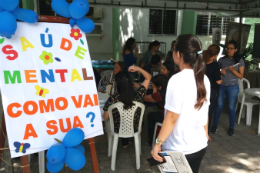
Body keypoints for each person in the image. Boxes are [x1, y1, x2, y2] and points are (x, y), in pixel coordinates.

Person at [151, 34, 210, 173]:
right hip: (199, 145)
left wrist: (157, 144)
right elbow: (205, 109)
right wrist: (206, 134)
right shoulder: (203, 78)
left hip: (178, 150)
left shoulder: (177, 80)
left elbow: (171, 117)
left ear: (179, 54)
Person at [103, 66, 152, 148]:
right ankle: (127, 140)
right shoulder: (139, 95)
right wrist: (138, 69)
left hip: (117, 129)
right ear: (131, 82)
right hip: (136, 127)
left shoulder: (112, 98)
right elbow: (148, 78)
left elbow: (106, 117)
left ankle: (124, 142)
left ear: (117, 84)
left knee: (118, 119)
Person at [212, 40, 245, 136]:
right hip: (221, 86)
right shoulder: (222, 60)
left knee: (231, 107)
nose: (229, 50)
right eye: (228, 48)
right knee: (219, 106)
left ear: (236, 50)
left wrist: (233, 70)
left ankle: (231, 127)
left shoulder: (239, 60)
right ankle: (215, 125)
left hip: (233, 87)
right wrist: (220, 72)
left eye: (231, 48)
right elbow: (216, 72)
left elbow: (241, 76)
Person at [143, 74, 168, 146]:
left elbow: (146, 98)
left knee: (150, 115)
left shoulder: (160, 94)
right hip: (172, 115)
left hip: (166, 116)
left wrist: (154, 88)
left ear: (159, 87)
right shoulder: (169, 89)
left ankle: (151, 141)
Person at [203, 44, 222, 141]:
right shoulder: (215, 65)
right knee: (209, 112)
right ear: (216, 55)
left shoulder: (201, 62)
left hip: (201, 90)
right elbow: (218, 81)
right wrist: (221, 75)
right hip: (212, 91)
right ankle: (206, 134)